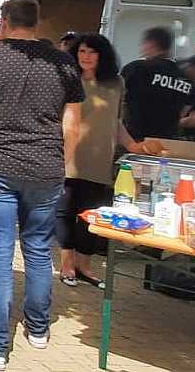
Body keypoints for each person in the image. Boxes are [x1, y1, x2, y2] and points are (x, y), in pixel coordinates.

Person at [0, 0, 84, 370]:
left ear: (5, 21)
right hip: (46, 167)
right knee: (38, 249)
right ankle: (38, 330)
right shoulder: (63, 62)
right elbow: (73, 125)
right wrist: (62, 161)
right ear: (37, 23)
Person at [58, 34, 123, 289]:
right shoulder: (67, 79)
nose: (86, 57)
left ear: (102, 55)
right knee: (64, 212)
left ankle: (84, 265)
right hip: (68, 157)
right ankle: (66, 264)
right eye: (82, 51)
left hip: (99, 159)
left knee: (91, 215)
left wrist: (133, 146)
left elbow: (117, 121)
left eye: (92, 52)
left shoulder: (116, 83)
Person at [120, 27, 192, 144]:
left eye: (143, 43)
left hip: (136, 139)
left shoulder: (136, 69)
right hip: (168, 141)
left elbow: (118, 100)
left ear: (151, 43)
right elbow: (184, 111)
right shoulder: (187, 77)